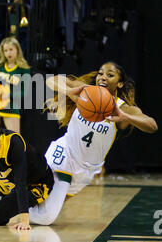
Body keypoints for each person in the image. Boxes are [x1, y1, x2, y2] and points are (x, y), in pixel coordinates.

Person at [29, 61, 158, 225]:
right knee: (46, 217)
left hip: (87, 170)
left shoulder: (123, 108)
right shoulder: (85, 92)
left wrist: (127, 118)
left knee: (42, 206)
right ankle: (7, 204)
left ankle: (5, 200)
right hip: (65, 155)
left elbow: (152, 125)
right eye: (100, 73)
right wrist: (69, 92)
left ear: (120, 83)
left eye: (110, 75)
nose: (103, 77)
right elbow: (51, 80)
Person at [0, 36, 31, 133]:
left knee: (14, 140)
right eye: (6, 50)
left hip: (11, 107)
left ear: (17, 50)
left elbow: (25, 92)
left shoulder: (24, 69)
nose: (8, 53)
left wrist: (7, 95)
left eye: (11, 49)